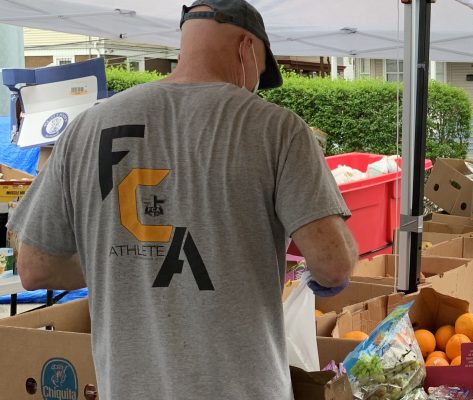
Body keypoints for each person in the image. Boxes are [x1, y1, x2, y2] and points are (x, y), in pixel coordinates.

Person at [8, 1, 359, 398]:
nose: (254, 88)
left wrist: (124, 263)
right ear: (246, 48)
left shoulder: (87, 127)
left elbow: (35, 267)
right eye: (259, 74)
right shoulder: (276, 128)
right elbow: (333, 264)